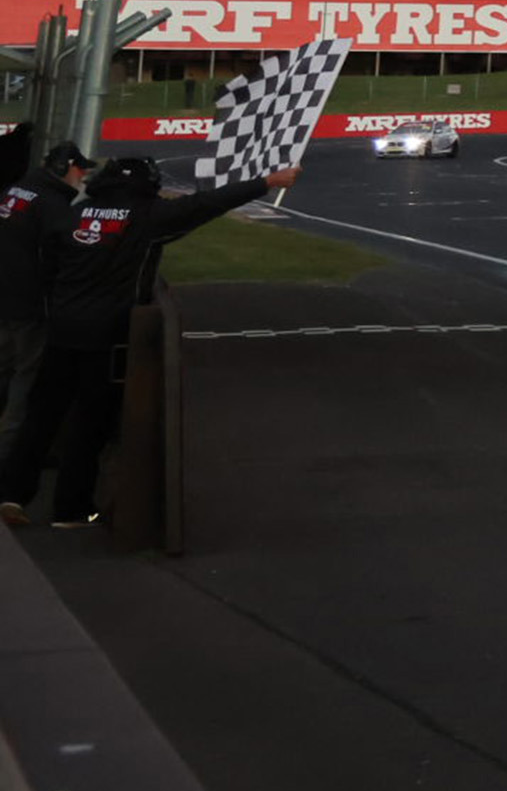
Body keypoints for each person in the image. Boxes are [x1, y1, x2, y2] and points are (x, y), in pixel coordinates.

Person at [0, 156, 298, 529]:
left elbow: (49, 268)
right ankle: (70, 510)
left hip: (61, 329)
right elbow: (204, 204)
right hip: (108, 336)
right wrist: (266, 181)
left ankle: (12, 494)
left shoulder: (75, 213)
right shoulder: (146, 216)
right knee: (90, 424)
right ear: (148, 184)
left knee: (42, 416)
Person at [0, 140, 93, 469]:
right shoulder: (53, 205)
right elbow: (68, 252)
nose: (82, 176)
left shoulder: (17, 189)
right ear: (64, 168)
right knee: (26, 380)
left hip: (6, 300)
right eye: (80, 169)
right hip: (28, 307)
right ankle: (7, 455)